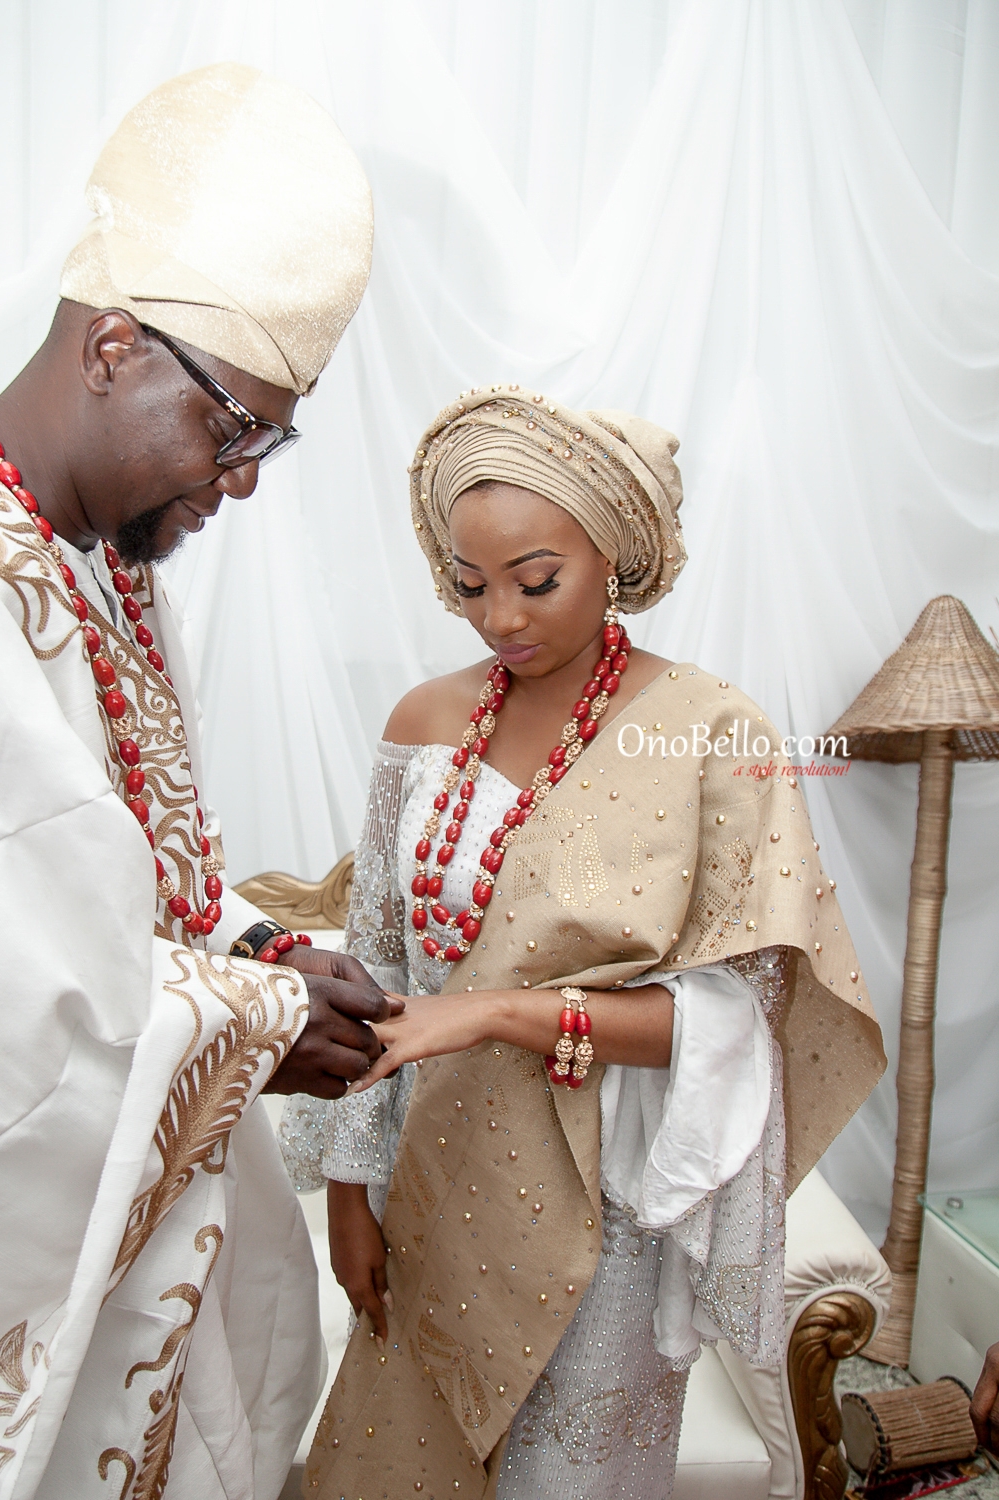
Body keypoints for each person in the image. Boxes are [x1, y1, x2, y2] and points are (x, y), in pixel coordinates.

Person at [0, 64, 390, 1500]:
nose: (247, 478)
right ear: (113, 346)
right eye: (235, 426)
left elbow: (106, 876)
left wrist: (252, 947)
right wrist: (259, 1018)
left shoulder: (100, 557)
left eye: (273, 436)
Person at [280, 386, 887, 1499]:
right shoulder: (421, 723)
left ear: (613, 553)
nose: (499, 618)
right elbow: (377, 972)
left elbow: (732, 1023)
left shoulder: (711, 730)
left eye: (535, 580)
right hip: (432, 1179)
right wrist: (348, 1198)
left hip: (597, 1215)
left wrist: (498, 1011)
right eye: (468, 585)